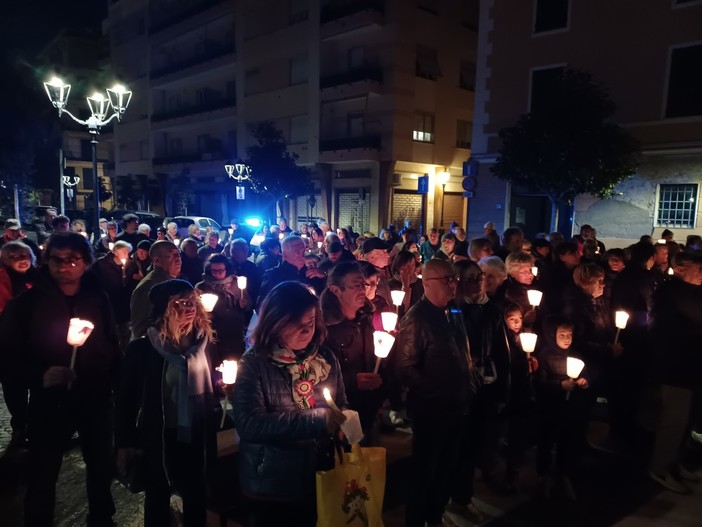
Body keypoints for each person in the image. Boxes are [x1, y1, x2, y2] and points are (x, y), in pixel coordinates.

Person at [0, 232, 120, 526]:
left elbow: (112, 344)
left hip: (95, 398)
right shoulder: (26, 303)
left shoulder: (97, 298)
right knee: (43, 472)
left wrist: (115, 385)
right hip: (50, 402)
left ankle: (102, 518)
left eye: (72, 260)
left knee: (101, 468)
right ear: (46, 260)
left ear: (86, 263)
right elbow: (8, 354)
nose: (64, 266)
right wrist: (40, 375)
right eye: (57, 259)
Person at [233, 281, 348, 527]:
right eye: (298, 324)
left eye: (311, 322)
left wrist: (343, 423)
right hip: (272, 480)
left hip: (320, 473)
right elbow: (249, 424)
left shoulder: (325, 358)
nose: (307, 331)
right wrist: (317, 420)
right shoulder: (255, 363)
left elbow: (340, 403)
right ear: (276, 323)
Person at [116, 280, 219, 527]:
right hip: (159, 435)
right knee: (158, 493)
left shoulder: (203, 344)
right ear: (164, 309)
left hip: (196, 431)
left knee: (196, 492)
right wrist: (124, 442)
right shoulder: (143, 349)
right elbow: (126, 399)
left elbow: (211, 381)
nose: (190, 307)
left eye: (192, 301)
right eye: (180, 303)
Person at [396, 259, 476, 527]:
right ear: (427, 283)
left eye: (454, 279)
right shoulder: (417, 318)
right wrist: (438, 391)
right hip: (432, 410)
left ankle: (436, 513)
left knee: (447, 466)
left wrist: (469, 381)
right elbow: (405, 368)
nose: (454, 284)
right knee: (426, 470)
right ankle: (417, 519)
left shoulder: (452, 312)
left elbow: (462, 353)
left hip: (457, 405)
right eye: (447, 280)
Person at [647, 251, 702, 493]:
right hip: (675, 367)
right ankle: (659, 468)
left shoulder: (694, 292)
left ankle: (675, 462)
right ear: (680, 268)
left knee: (687, 420)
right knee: (674, 422)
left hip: (693, 366)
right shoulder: (670, 293)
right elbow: (669, 331)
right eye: (698, 268)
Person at [321, 262, 384, 444]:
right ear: (335, 290)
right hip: (340, 417)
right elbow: (317, 377)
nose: (363, 290)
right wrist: (351, 381)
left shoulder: (364, 319)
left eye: (363, 284)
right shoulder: (324, 329)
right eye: (356, 285)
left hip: (368, 411)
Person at [535, 316, 592, 500]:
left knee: (566, 442)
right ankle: (544, 477)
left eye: (569, 334)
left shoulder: (575, 354)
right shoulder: (545, 356)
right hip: (550, 408)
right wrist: (560, 385)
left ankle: (563, 475)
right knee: (547, 441)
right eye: (562, 334)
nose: (567, 338)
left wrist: (584, 381)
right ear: (553, 336)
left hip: (570, 409)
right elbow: (540, 383)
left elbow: (585, 372)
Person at [0, 241, 39, 448]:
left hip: (38, 346)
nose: (22, 260)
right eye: (15, 257)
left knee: (41, 389)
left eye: (25, 255)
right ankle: (19, 428)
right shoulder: (2, 281)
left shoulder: (41, 277)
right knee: (15, 391)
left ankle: (37, 427)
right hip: (10, 349)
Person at [195, 254, 250, 361]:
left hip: (235, 333)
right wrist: (204, 315)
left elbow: (247, 308)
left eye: (221, 270)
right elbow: (196, 311)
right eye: (214, 270)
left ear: (227, 269)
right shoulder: (202, 287)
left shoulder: (236, 284)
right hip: (214, 334)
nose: (217, 273)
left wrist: (245, 304)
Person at [130, 241, 183, 340]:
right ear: (157, 260)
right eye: (171, 255)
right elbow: (140, 327)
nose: (178, 259)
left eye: (178, 254)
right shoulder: (149, 286)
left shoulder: (174, 280)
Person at [92, 240, 137, 353]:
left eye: (128, 252)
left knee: (125, 332)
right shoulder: (102, 264)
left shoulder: (131, 265)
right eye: (124, 252)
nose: (127, 255)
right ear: (116, 252)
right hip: (108, 303)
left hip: (124, 305)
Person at [257, 235, 327, 307]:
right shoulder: (273, 276)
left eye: (303, 251)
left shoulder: (312, 273)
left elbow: (326, 297)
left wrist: (324, 277)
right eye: (297, 252)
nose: (302, 255)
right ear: (285, 255)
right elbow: (263, 306)